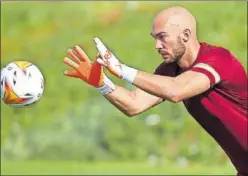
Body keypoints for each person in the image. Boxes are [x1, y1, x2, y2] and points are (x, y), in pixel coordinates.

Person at [63, 6, 248, 176]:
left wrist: (122, 70)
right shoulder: (170, 71)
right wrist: (102, 83)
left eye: (162, 37)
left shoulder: (218, 59)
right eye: (155, 38)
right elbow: (134, 104)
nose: (157, 45)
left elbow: (177, 90)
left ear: (185, 35)